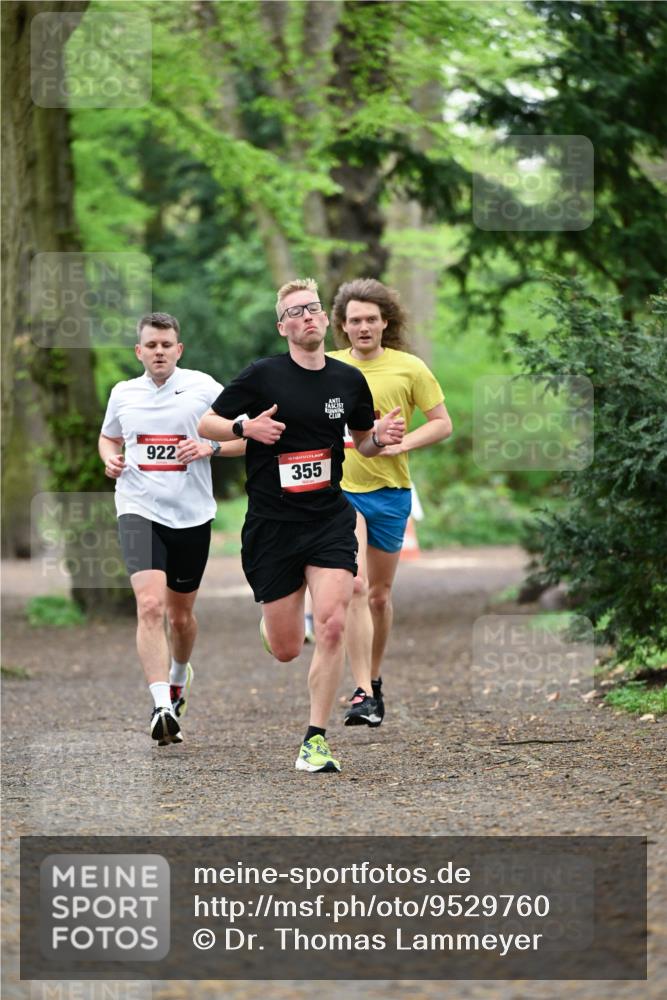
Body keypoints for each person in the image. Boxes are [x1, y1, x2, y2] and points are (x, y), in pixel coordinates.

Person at [198, 278, 405, 773]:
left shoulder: (347, 380)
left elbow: (363, 441)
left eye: (313, 308)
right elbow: (206, 423)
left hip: (329, 518)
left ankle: (315, 740)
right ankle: (274, 628)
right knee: (288, 648)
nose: (308, 316)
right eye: (296, 311)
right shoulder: (261, 376)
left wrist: (379, 435)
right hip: (272, 526)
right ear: (283, 327)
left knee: (333, 621)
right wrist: (245, 427)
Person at [99, 312, 244, 746]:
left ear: (178, 350)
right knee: (149, 606)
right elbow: (108, 437)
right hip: (138, 506)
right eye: (151, 345)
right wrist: (109, 458)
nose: (159, 352)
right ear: (139, 351)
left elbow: (248, 435)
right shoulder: (123, 393)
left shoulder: (205, 388)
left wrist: (209, 446)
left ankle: (179, 678)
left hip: (191, 514)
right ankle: (161, 704)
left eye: (167, 345)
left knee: (181, 617)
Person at [328, 278, 453, 727]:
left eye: (371, 319)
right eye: (355, 320)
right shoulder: (326, 367)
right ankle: (362, 691)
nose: (363, 327)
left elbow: (442, 422)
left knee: (379, 596)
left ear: (385, 323)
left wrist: (404, 445)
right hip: (339, 492)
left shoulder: (409, 368)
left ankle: (374, 682)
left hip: (389, 492)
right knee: (356, 587)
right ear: (342, 325)